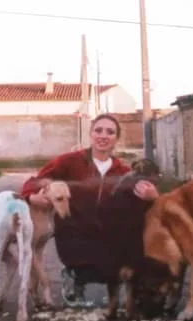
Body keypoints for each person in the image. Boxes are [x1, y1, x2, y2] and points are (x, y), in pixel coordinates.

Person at [21, 114, 159, 307]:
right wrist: (32, 196)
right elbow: (35, 181)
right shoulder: (68, 161)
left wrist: (152, 197)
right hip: (74, 231)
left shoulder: (123, 172)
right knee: (84, 265)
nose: (103, 136)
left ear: (116, 139)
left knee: (117, 262)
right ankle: (74, 277)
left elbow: (139, 202)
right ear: (90, 134)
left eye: (110, 132)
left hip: (107, 233)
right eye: (98, 130)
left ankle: (124, 284)